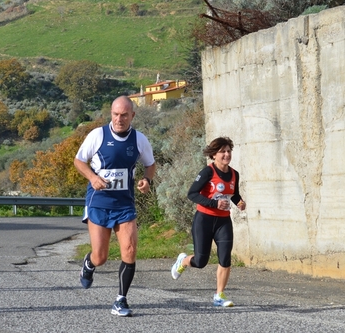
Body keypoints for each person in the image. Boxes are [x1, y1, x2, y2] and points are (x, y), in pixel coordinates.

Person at [74, 96, 156, 317]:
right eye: (115, 114)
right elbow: (79, 160)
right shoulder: (98, 135)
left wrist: (147, 181)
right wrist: (92, 177)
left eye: (124, 115)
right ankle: (89, 264)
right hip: (99, 202)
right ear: (111, 113)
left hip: (124, 204)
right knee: (100, 256)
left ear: (132, 116)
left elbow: (150, 164)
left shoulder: (139, 139)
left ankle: (121, 300)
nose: (119, 119)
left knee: (129, 251)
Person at [171, 136, 246, 307]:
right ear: (214, 155)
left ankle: (219, 295)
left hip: (223, 222)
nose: (226, 154)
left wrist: (239, 202)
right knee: (200, 261)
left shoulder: (234, 174)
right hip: (204, 220)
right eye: (222, 152)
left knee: (225, 257)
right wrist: (214, 203)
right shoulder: (207, 172)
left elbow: (233, 194)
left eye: (228, 151)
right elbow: (192, 194)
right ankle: (182, 261)